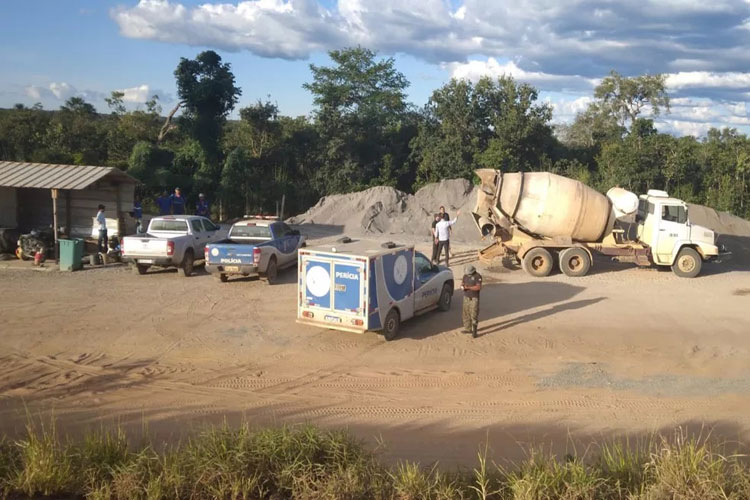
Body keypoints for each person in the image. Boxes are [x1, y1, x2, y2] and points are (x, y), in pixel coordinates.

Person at [461, 264, 482, 338]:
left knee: (474, 313)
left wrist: (469, 287)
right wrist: (463, 286)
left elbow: (478, 287)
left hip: (474, 298)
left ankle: (474, 331)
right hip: (466, 297)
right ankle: (468, 328)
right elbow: (462, 283)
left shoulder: (477, 276)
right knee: (466, 313)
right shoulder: (465, 276)